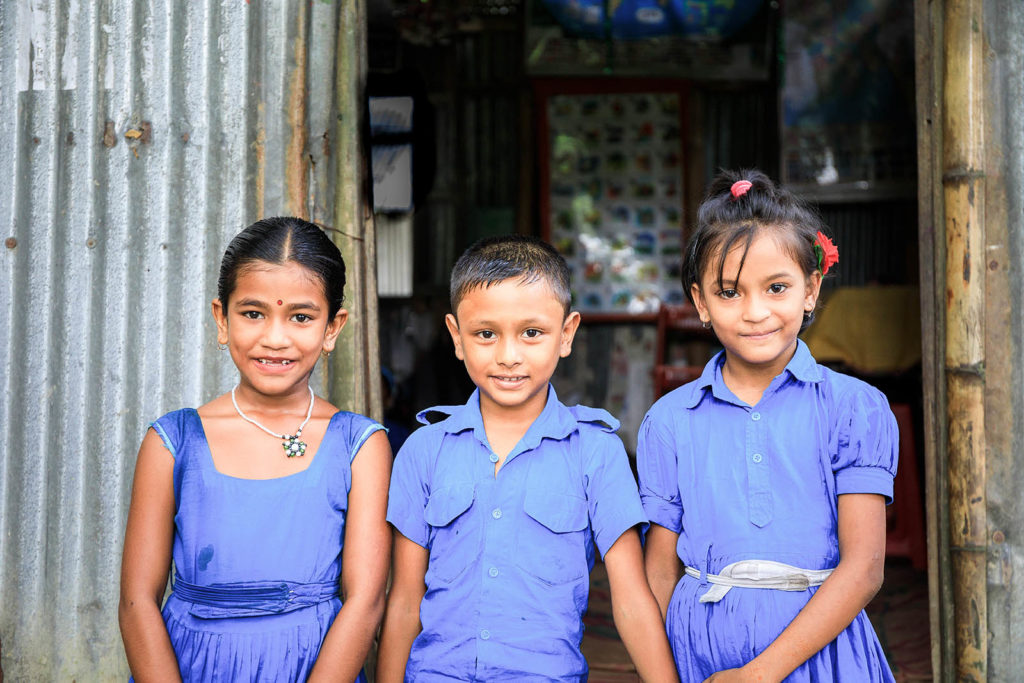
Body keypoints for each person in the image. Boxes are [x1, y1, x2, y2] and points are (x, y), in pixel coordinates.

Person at [377, 235, 678, 682]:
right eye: (485, 334)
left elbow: (632, 600)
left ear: (567, 334)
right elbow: (403, 601)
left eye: (531, 333)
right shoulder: (425, 449)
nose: (509, 356)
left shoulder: (595, 453)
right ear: (456, 338)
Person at [639, 170, 898, 682]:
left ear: (811, 289)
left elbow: (865, 568)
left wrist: (758, 675)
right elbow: (661, 569)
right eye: (730, 292)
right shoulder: (668, 421)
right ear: (700, 304)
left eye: (776, 287)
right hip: (701, 657)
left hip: (823, 655)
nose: (755, 312)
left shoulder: (855, 408)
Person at [118, 217, 392, 682]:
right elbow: (136, 600)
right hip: (193, 664)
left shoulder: (359, 446)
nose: (275, 337)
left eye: (301, 317)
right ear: (221, 319)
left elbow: (366, 600)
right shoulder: (173, 441)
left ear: (332, 327)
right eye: (253, 313)